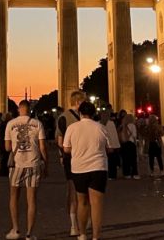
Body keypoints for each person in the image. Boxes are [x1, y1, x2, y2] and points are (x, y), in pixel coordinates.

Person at [63, 100, 110, 240]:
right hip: (98, 168)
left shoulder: (72, 128)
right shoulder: (101, 127)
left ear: (80, 113)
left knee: (81, 202)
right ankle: (96, 237)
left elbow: (66, 149)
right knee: (96, 204)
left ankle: (82, 234)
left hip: (79, 168)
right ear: (94, 113)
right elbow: (110, 147)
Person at [4, 100, 48, 240]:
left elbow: (7, 148)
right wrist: (46, 164)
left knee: (13, 197)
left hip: (17, 164)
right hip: (33, 163)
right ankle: (29, 234)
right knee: (32, 200)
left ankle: (16, 230)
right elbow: (42, 147)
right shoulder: (38, 123)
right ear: (30, 109)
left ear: (19, 109)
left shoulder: (10, 124)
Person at [57, 89, 87, 237]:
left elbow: (59, 140)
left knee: (72, 190)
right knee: (86, 191)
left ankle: (73, 224)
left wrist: (62, 155)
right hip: (86, 157)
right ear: (78, 101)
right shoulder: (87, 117)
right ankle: (84, 222)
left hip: (70, 158)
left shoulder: (63, 117)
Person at [99, 111, 121, 180]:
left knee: (111, 161)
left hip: (110, 145)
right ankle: (111, 175)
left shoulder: (108, 124)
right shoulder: (109, 123)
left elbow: (110, 135)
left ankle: (111, 175)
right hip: (111, 145)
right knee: (110, 161)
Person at [119, 115, 139, 179]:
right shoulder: (132, 126)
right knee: (133, 159)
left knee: (125, 160)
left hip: (124, 144)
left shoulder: (122, 126)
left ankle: (126, 174)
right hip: (131, 144)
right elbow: (134, 135)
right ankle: (134, 173)